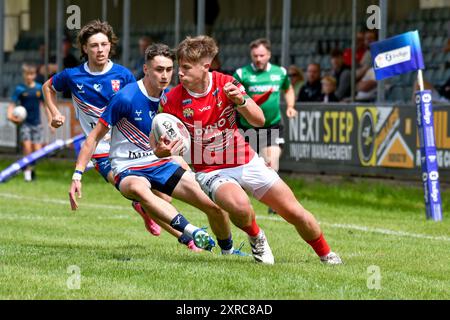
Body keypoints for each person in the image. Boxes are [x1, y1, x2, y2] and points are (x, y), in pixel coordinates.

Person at [158, 35, 342, 265]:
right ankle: (256, 236)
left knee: (295, 212)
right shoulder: (172, 99)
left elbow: (259, 120)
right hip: (210, 170)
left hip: (245, 160)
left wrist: (242, 103)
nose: (179, 74)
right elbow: (158, 143)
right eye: (179, 68)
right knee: (240, 205)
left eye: (186, 68)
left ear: (205, 67)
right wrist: (162, 150)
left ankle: (327, 254)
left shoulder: (227, 83)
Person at [42, 20, 199, 251]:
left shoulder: (123, 75)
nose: (100, 50)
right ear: (85, 48)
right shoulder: (72, 76)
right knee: (145, 195)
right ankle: (189, 240)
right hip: (102, 151)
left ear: (110, 46)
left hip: (138, 147)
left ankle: (147, 209)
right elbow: (48, 87)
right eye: (94, 45)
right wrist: (53, 112)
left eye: (104, 44)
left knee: (163, 199)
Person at [69, 43, 241, 255]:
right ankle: (191, 231)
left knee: (214, 204)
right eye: (159, 69)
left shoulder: (171, 98)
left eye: (169, 70)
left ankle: (228, 252)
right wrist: (77, 174)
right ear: (146, 69)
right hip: (128, 167)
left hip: (161, 162)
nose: (165, 75)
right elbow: (93, 138)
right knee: (140, 190)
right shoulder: (126, 97)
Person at [233, 38, 297, 214]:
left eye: (262, 55)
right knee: (242, 167)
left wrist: (290, 106)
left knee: (272, 163)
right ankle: (239, 202)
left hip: (272, 126)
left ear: (269, 55)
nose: (258, 59)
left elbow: (288, 89)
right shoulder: (241, 73)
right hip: (247, 127)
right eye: (255, 56)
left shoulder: (280, 72)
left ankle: (274, 204)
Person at [7, 63, 50, 182]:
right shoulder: (20, 89)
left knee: (37, 151)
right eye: (27, 74)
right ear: (24, 75)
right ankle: (27, 175)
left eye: (31, 74)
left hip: (37, 124)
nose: (29, 77)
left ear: (35, 75)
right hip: (25, 124)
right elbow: (12, 105)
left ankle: (32, 170)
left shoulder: (38, 88)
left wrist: (50, 120)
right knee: (27, 147)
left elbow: (45, 105)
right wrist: (10, 116)